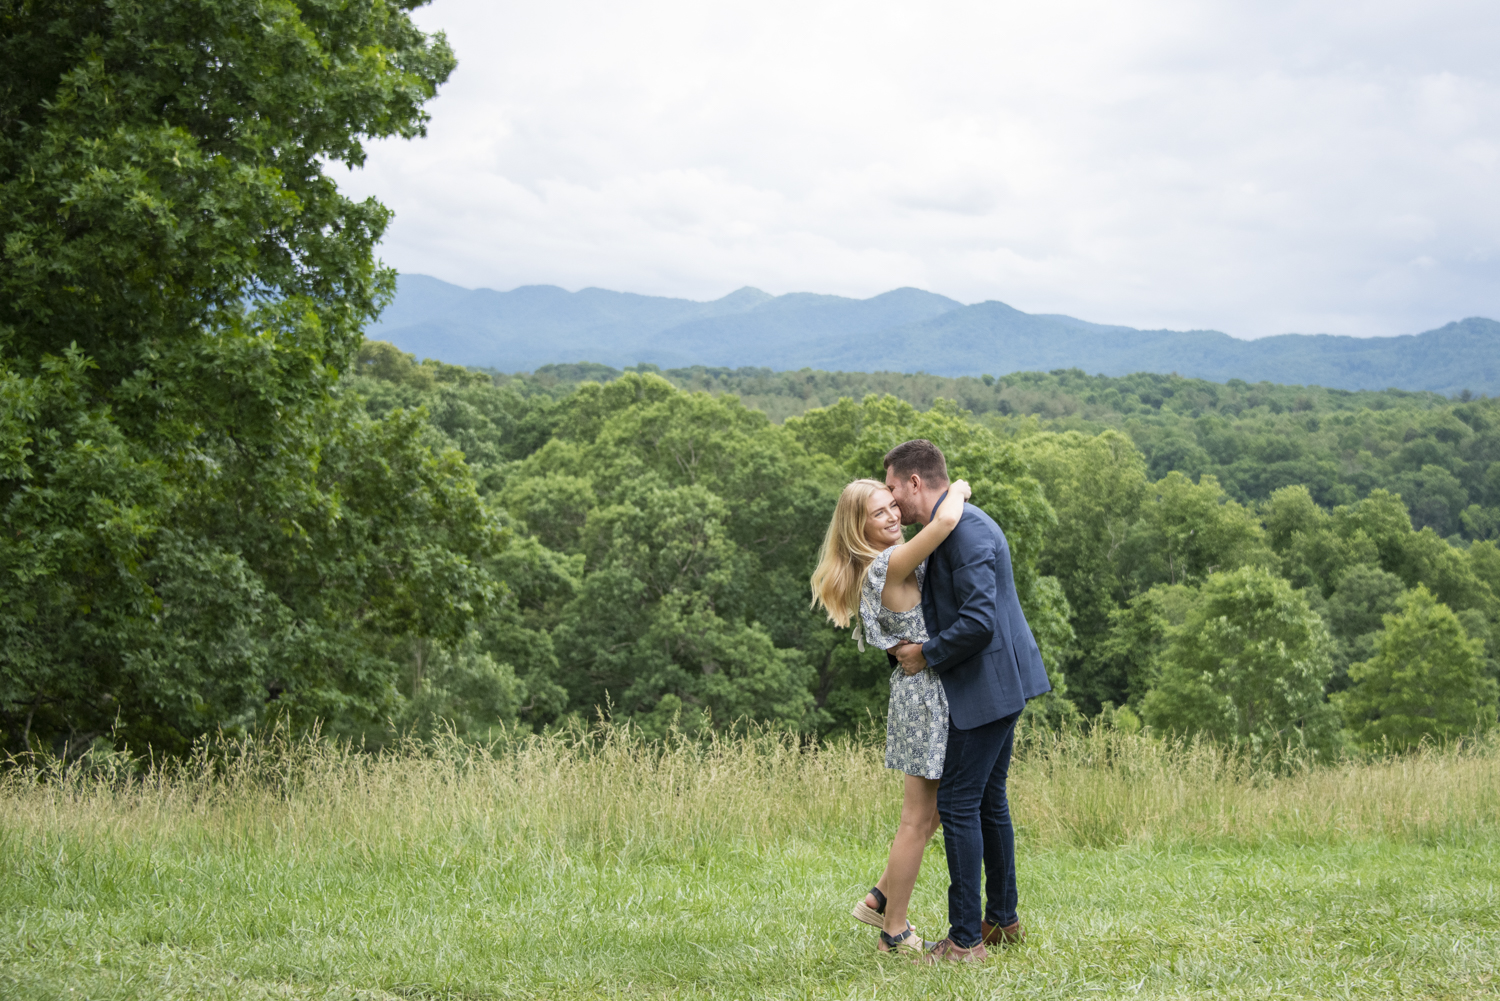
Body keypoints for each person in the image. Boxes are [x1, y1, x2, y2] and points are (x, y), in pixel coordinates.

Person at [883, 439, 1052, 964]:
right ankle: (1003, 920)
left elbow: (978, 622)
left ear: (915, 482)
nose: (892, 503)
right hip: (998, 682)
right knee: (987, 800)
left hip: (987, 684)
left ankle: (965, 940)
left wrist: (924, 655)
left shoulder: (968, 532)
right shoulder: (952, 525)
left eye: (892, 489)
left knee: (957, 803)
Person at [809, 475, 973, 955]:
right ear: (858, 527)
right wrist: (958, 487)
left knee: (936, 810)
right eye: (879, 513)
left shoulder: (876, 564)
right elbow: (944, 519)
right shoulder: (885, 564)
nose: (894, 515)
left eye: (892, 507)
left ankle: (881, 896)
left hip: (919, 691)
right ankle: (894, 932)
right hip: (922, 696)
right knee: (917, 820)